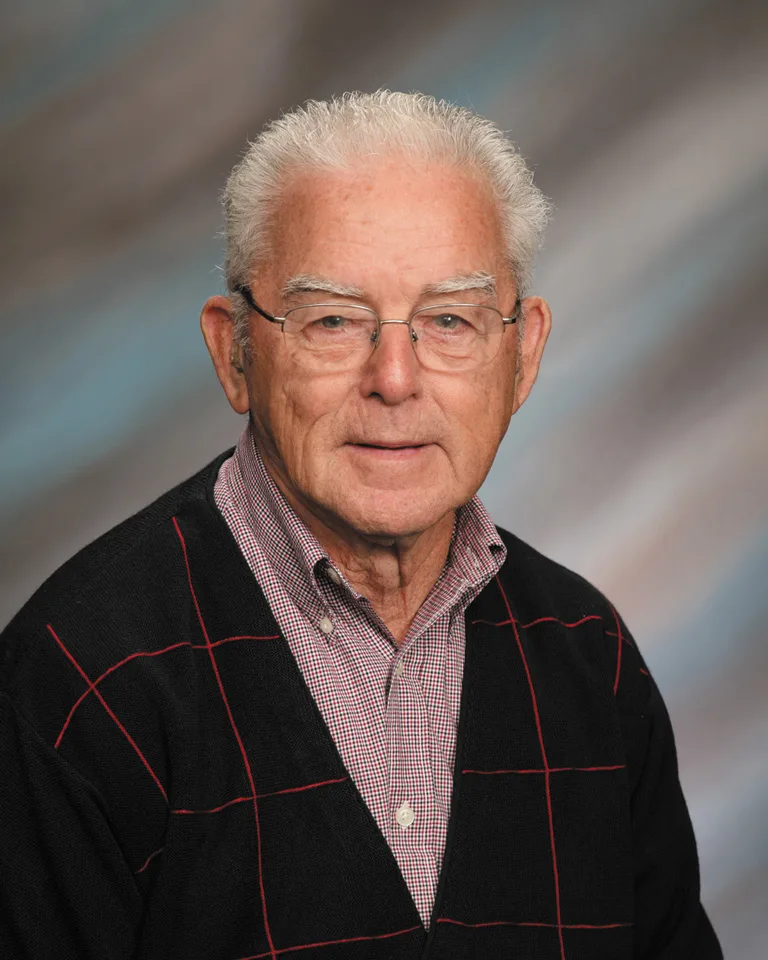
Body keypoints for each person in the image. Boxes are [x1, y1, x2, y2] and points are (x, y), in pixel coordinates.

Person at [0, 91, 721, 960]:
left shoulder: (589, 659)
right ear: (235, 352)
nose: (394, 379)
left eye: (448, 320)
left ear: (523, 354)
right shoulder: (80, 684)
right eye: (334, 321)